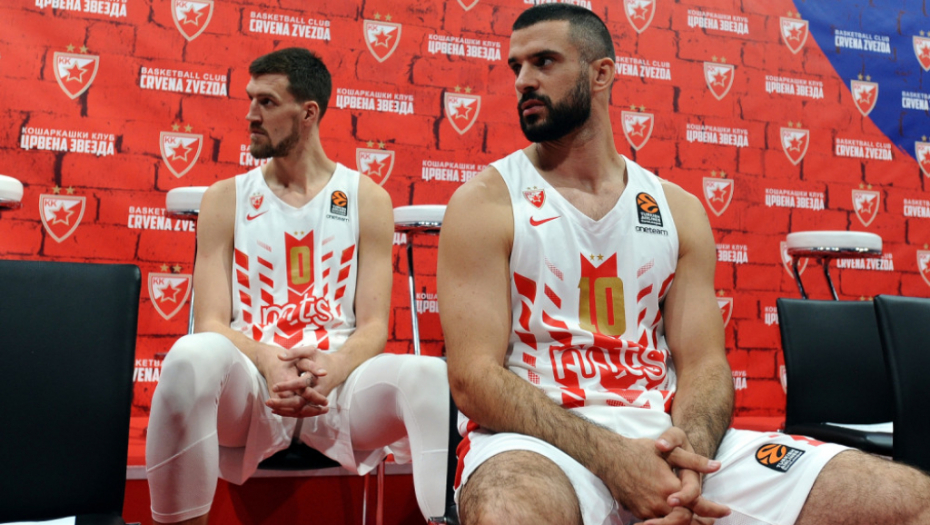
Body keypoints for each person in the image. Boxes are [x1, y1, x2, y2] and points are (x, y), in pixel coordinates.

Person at [437, 5, 930, 525]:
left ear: (601, 74)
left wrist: (688, 464)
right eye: (516, 67)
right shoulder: (485, 202)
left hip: (669, 443)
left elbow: (704, 365)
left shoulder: (676, 209)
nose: (523, 81)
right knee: (507, 511)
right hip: (540, 446)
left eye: (543, 61)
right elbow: (472, 378)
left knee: (909, 499)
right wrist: (613, 458)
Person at [146, 47, 449, 524]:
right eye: (250, 99)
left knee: (432, 377)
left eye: (266, 102)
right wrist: (266, 359)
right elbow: (210, 322)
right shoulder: (225, 198)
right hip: (252, 385)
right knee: (190, 355)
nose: (250, 115)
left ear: (308, 113)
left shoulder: (367, 198)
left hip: (339, 389)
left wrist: (334, 367)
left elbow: (373, 327)